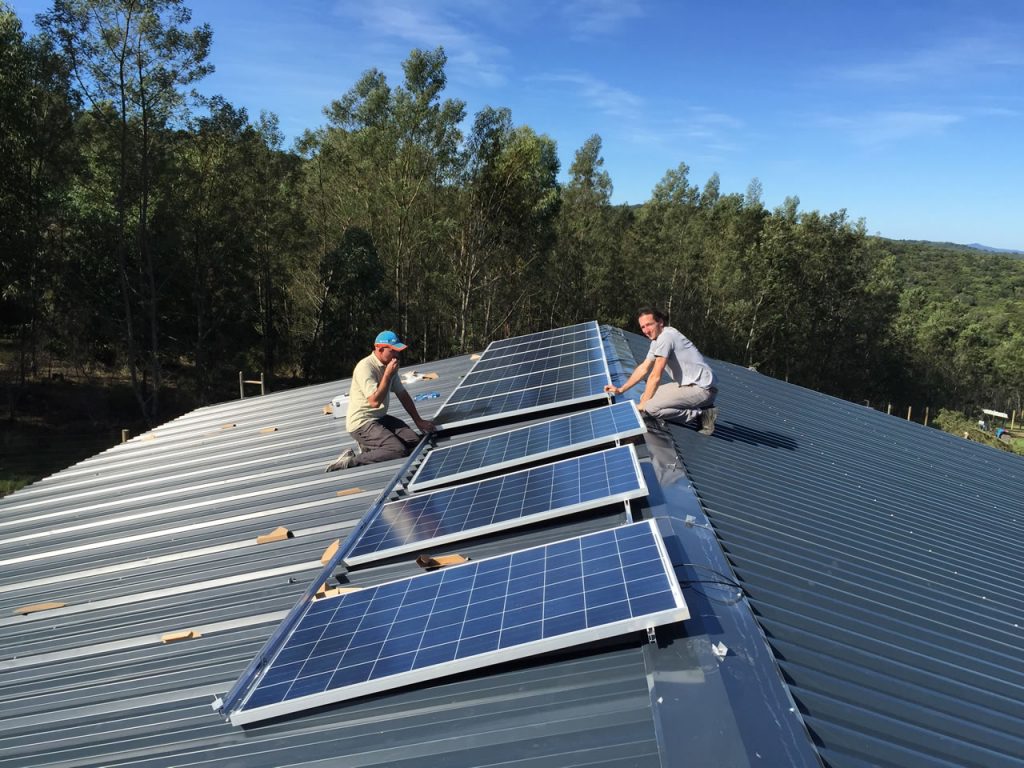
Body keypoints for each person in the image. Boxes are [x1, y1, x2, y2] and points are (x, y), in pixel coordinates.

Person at [325, 330, 436, 471]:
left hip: (379, 418)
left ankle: (369, 447)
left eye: (398, 351)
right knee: (397, 451)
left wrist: (418, 420)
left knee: (414, 441)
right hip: (361, 423)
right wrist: (388, 375)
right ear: (380, 349)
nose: (396, 355)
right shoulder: (365, 367)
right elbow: (374, 402)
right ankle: (350, 461)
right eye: (393, 351)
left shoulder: (390, 365)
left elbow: (402, 394)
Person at [604, 307, 718, 435]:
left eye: (649, 325)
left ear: (660, 322)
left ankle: (699, 414)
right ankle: (695, 407)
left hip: (703, 389)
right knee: (645, 396)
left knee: (650, 407)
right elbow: (643, 368)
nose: (646, 330)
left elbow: (655, 375)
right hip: (687, 385)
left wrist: (642, 406)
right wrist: (621, 389)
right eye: (642, 327)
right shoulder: (657, 341)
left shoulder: (666, 338)